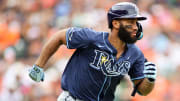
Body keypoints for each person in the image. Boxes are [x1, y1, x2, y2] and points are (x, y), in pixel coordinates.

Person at [29, 2, 157, 101]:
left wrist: (150, 80)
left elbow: (142, 90)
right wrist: (38, 66)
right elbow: (59, 37)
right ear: (116, 23)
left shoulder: (135, 54)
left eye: (136, 23)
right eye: (130, 22)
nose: (136, 27)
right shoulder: (91, 38)